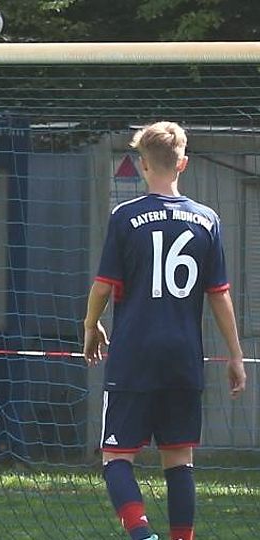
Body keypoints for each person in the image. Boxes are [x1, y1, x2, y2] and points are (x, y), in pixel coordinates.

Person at [82, 121, 247, 540]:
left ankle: (142, 535)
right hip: (183, 357)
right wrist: (235, 355)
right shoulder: (207, 220)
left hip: (134, 354)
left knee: (116, 457)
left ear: (142, 164)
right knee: (179, 459)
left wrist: (90, 324)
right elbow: (219, 295)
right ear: (183, 164)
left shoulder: (125, 216)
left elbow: (103, 286)